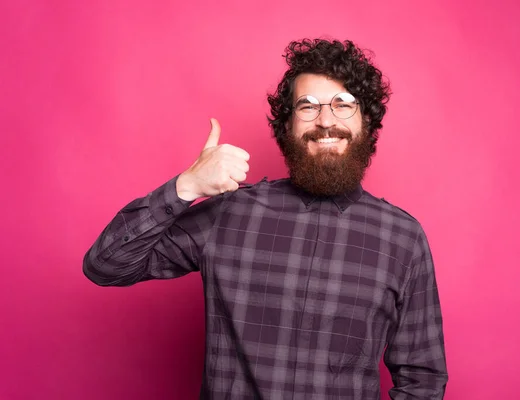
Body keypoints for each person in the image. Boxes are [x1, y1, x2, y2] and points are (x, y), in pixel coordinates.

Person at [83, 38, 448, 399]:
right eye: (307, 107)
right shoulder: (229, 213)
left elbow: (423, 380)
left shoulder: (403, 239)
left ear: (365, 120)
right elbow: (105, 265)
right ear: (287, 125)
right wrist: (186, 186)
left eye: (343, 105)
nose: (325, 121)